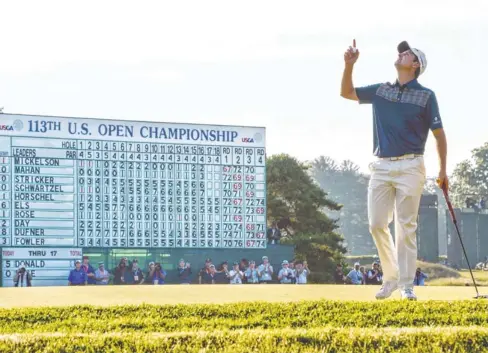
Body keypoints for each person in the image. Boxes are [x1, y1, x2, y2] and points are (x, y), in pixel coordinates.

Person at [340, 39, 448, 301]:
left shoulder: (426, 95)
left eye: (407, 53)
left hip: (412, 165)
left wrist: (443, 171)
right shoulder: (381, 90)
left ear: (415, 65)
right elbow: (347, 92)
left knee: (405, 226)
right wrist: (349, 65)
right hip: (381, 166)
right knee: (377, 224)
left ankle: (406, 285)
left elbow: (439, 135)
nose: (401, 54)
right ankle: (390, 278)